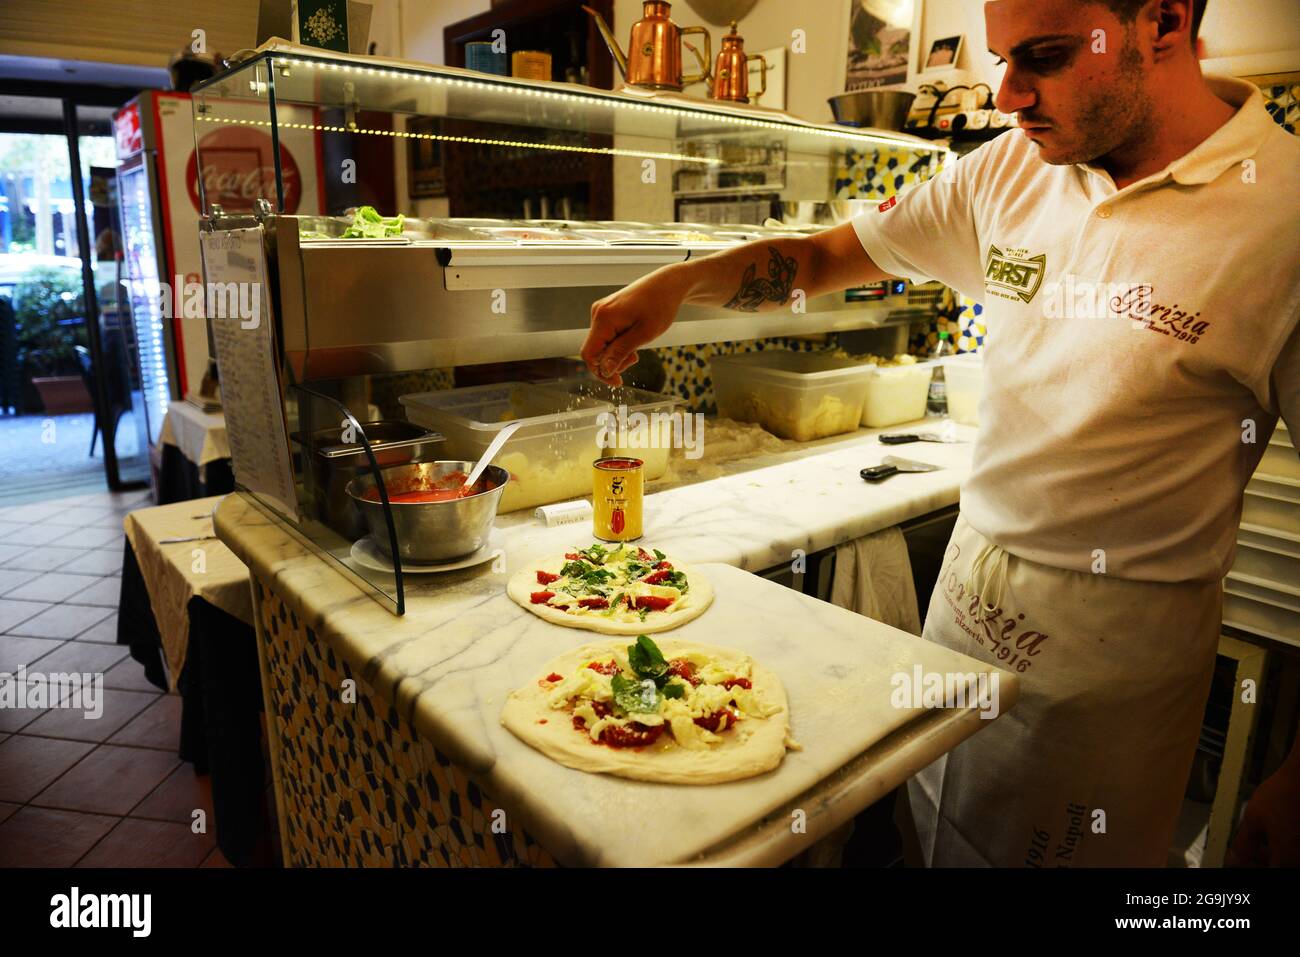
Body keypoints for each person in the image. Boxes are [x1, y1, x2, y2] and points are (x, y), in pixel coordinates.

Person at [580, 0, 1300, 866]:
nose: (1009, 93)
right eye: (1001, 57)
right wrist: (683, 284)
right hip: (963, 607)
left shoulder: (1282, 218)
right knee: (924, 834)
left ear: (1165, 20)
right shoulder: (1008, 171)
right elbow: (818, 261)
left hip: (1111, 665)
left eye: (1046, 55)